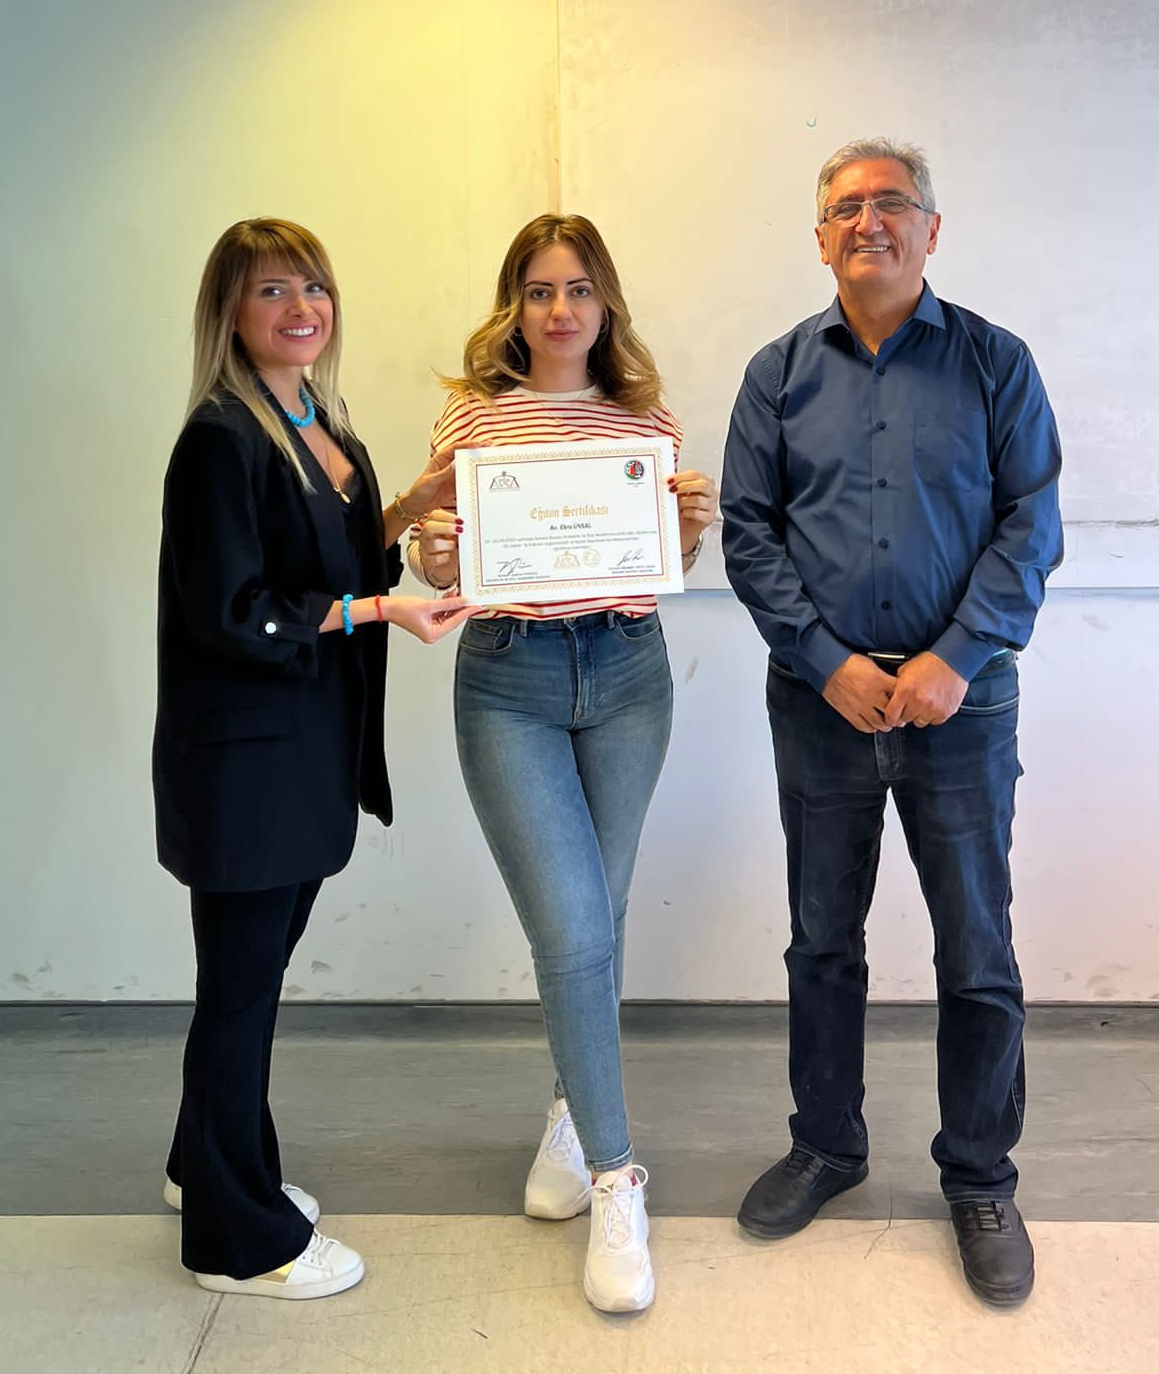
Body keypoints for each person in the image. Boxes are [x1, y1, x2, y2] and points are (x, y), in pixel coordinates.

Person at [720, 140, 1062, 1308]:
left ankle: (980, 1176)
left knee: (976, 948)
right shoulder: (775, 374)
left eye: (891, 202)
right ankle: (827, 1143)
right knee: (823, 938)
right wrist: (824, 662)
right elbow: (749, 532)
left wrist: (954, 657)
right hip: (822, 706)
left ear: (931, 228)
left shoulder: (995, 363)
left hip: (961, 705)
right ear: (820, 236)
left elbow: (1031, 522)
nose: (869, 220)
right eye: (845, 207)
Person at [154, 217, 474, 1300]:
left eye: (314, 287)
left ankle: (202, 1164)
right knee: (240, 992)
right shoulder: (221, 438)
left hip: (305, 754)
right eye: (271, 291)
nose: (301, 309)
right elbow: (235, 611)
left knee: (248, 982)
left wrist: (408, 508)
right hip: (244, 766)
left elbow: (328, 560)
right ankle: (238, 1241)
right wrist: (383, 607)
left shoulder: (321, 423)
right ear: (229, 312)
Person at [412, 213, 718, 1314]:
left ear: (605, 303)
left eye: (579, 288)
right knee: (575, 926)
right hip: (511, 679)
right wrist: (430, 549)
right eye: (539, 289)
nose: (560, 309)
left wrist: (691, 525)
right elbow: (436, 554)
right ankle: (617, 1176)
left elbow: (665, 563)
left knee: (602, 907)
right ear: (515, 304)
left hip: (629, 673)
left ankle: (566, 1113)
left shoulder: (648, 419)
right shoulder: (473, 417)